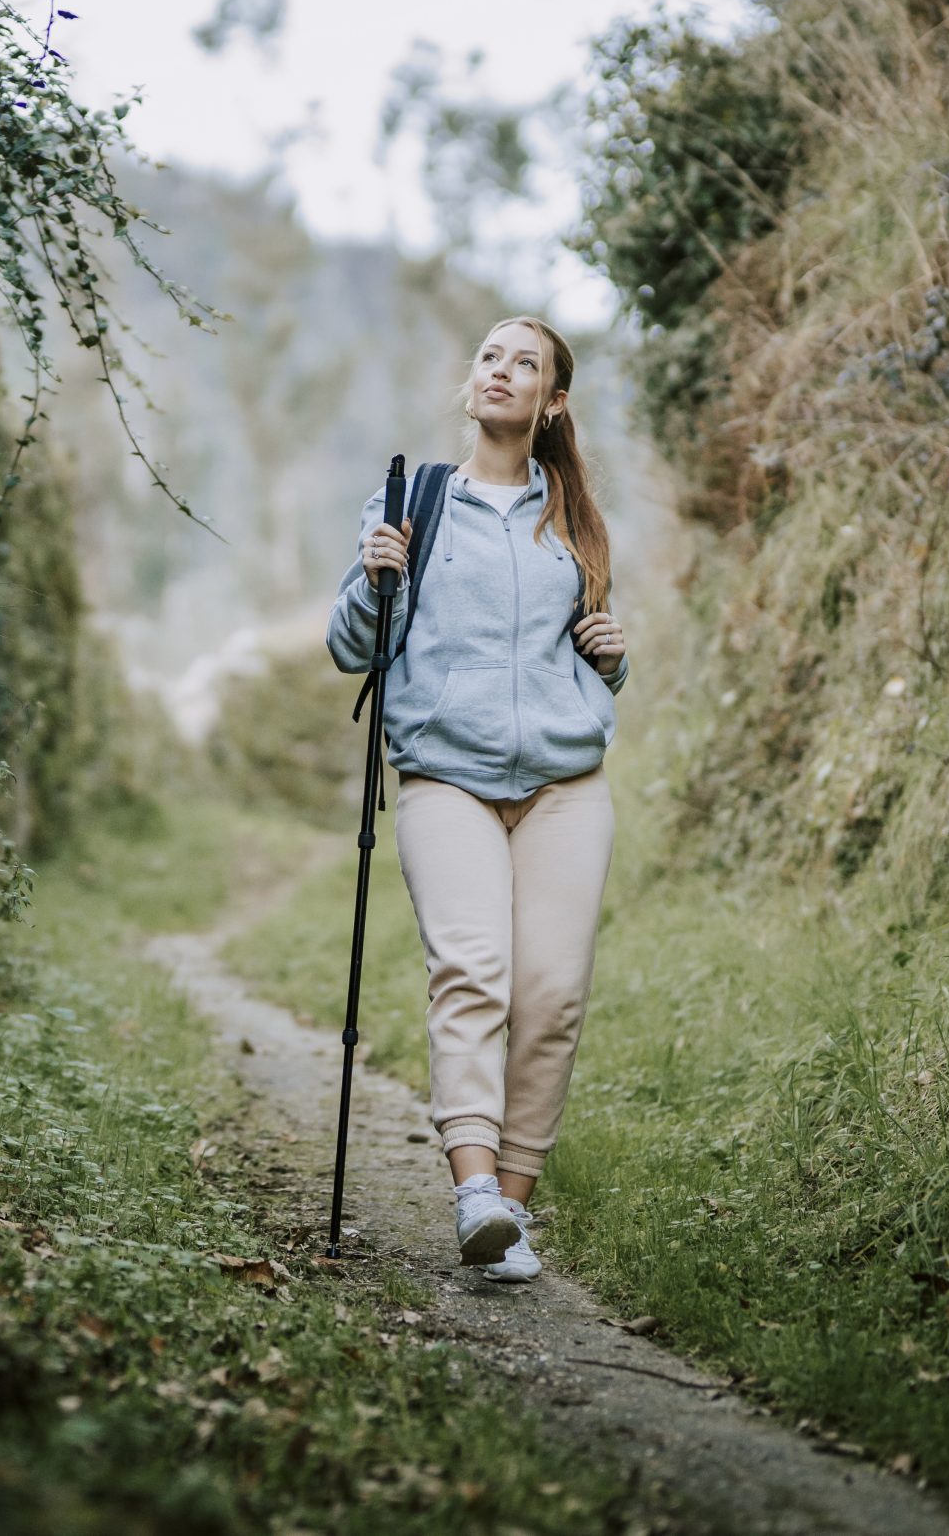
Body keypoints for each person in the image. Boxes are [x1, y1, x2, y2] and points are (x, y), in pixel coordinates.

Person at [325, 315, 629, 1284]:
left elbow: (589, 651)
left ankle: (511, 1215)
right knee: (473, 971)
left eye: (523, 363)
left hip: (565, 785)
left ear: (552, 402)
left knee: (552, 995)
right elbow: (350, 645)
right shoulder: (415, 501)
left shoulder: (573, 519)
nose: (500, 371)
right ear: (472, 381)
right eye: (490, 356)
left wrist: (611, 660)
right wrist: (375, 577)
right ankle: (474, 1192)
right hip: (446, 775)